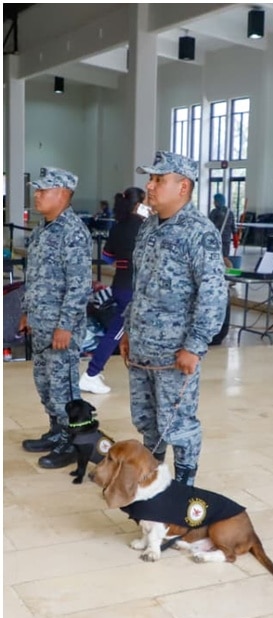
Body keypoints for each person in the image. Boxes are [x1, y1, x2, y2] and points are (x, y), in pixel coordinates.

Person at [119, 153, 226, 486]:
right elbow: (141, 286)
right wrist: (127, 330)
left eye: (158, 180)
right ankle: (154, 487)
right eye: (150, 179)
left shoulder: (200, 232)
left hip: (174, 355)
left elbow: (213, 294)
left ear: (183, 186)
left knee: (178, 426)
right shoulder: (149, 226)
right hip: (142, 349)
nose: (149, 186)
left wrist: (194, 346)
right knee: (148, 424)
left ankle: (182, 492)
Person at [18, 168, 92, 469]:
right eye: (37, 190)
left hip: (61, 329)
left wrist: (65, 325)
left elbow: (79, 285)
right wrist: (25, 310)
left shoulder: (73, 232)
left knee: (65, 388)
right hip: (40, 324)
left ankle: (72, 443)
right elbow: (33, 278)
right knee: (45, 384)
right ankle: (55, 431)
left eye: (43, 190)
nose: (37, 194)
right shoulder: (42, 230)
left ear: (63, 194)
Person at [82, 187, 148, 396]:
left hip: (119, 285)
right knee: (116, 333)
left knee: (136, 332)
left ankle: (145, 375)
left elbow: (108, 257)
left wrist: (124, 258)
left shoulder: (118, 227)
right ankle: (91, 374)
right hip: (134, 289)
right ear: (140, 204)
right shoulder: (145, 227)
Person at [208, 192, 234, 262]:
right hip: (227, 239)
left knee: (216, 257)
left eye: (215, 201)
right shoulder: (230, 212)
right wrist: (235, 237)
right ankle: (229, 270)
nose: (214, 202)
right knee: (225, 257)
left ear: (217, 202)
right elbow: (233, 227)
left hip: (217, 238)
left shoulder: (214, 212)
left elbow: (209, 225)